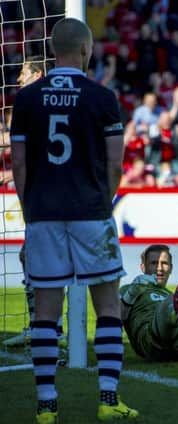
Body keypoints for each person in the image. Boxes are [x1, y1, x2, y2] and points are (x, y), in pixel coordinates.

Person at [9, 18, 138, 424]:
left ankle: (46, 405)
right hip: (90, 212)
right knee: (108, 305)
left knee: (45, 311)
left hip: (44, 213)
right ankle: (107, 398)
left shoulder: (27, 100)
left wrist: (32, 213)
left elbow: (19, 163)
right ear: (85, 51)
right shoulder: (102, 97)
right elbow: (115, 164)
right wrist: (104, 202)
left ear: (52, 50)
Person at [2, 56, 68, 349]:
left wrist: (17, 175)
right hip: (56, 190)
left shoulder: (33, 103)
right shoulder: (56, 100)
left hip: (45, 193)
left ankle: (54, 330)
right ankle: (42, 327)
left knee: (44, 259)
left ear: (38, 73)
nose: (18, 80)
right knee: (31, 257)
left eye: (23, 73)